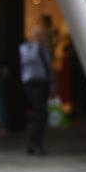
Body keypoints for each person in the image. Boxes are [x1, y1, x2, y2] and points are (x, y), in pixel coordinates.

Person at [19, 26, 53, 156]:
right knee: (40, 112)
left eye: (42, 35)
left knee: (42, 115)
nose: (40, 37)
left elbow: (48, 68)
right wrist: (35, 46)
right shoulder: (26, 47)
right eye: (37, 35)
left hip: (43, 83)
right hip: (32, 83)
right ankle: (36, 144)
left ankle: (33, 144)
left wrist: (52, 86)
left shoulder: (45, 49)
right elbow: (30, 59)